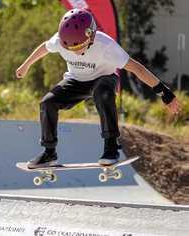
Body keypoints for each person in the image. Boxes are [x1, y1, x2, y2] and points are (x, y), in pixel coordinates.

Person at [16, 9, 182, 168]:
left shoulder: (106, 46)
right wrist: (26, 66)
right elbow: (44, 47)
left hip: (103, 79)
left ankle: (111, 147)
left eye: (79, 47)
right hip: (76, 81)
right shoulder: (59, 40)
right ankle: (49, 152)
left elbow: (137, 69)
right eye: (70, 49)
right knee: (47, 103)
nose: (75, 52)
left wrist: (165, 94)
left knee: (102, 93)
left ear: (91, 35)